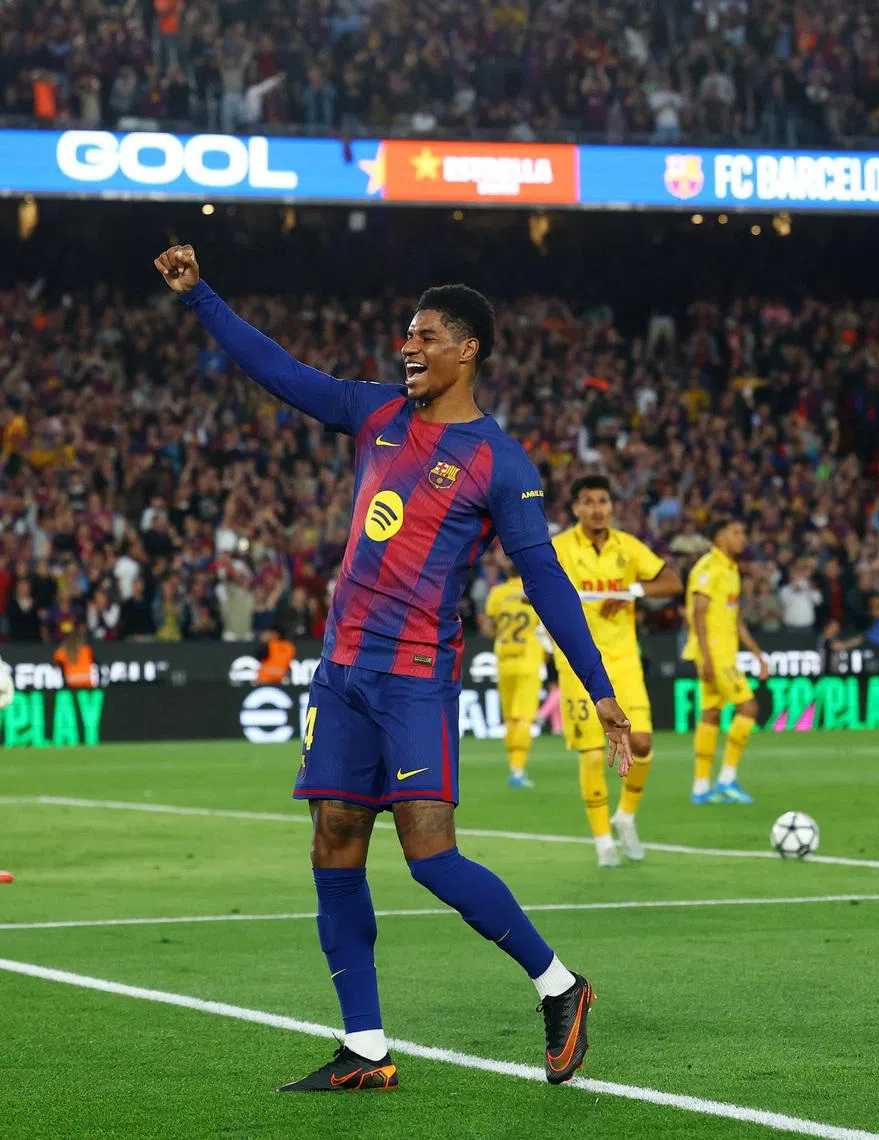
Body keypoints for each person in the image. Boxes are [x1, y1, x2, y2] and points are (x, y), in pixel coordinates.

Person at [155, 245, 633, 1092]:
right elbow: (276, 367)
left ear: (468, 349)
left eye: (426, 335)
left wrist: (601, 690)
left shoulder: (499, 462)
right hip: (341, 673)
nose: (407, 346)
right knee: (334, 845)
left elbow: (548, 581)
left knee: (430, 856)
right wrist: (201, 297)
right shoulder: (374, 413)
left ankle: (561, 985)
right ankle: (366, 1048)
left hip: (415, 676)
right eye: (405, 334)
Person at [551, 475, 682, 867]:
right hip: (579, 664)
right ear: (575, 508)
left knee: (641, 742)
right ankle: (603, 841)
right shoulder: (559, 548)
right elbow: (535, 586)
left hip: (624, 660)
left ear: (612, 506)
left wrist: (630, 592)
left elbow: (672, 581)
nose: (597, 508)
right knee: (592, 754)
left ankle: (625, 816)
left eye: (603, 501)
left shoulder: (627, 547)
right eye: (588, 501)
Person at [683, 517, 768, 804]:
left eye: (743, 531)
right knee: (748, 707)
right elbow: (698, 614)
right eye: (736, 532)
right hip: (715, 654)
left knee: (711, 715)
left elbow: (735, 619)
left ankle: (700, 787)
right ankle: (727, 780)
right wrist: (706, 657)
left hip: (724, 652)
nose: (742, 537)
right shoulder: (709, 568)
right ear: (719, 537)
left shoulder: (732, 570)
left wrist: (756, 653)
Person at [479, 548, 550, 788]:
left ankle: (514, 767)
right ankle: (518, 771)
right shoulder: (536, 590)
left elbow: (488, 629)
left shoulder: (498, 593)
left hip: (504, 660)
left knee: (510, 718)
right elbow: (548, 627)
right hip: (529, 660)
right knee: (523, 718)